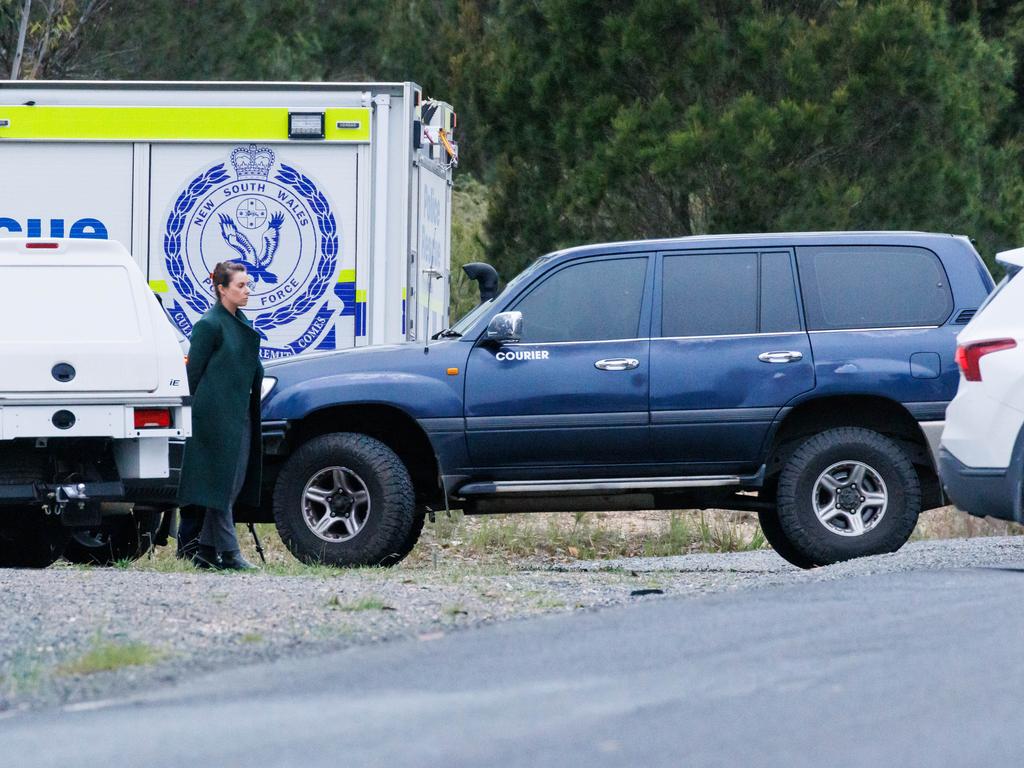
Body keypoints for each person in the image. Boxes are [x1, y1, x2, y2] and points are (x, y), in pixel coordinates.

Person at [176, 261, 264, 570]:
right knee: (222, 486)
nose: (247, 291)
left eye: (247, 285)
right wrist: (192, 418)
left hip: (239, 414)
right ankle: (230, 553)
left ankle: (206, 551)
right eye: (240, 285)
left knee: (234, 483)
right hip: (213, 418)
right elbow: (193, 375)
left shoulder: (241, 322)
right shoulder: (209, 324)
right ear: (222, 289)